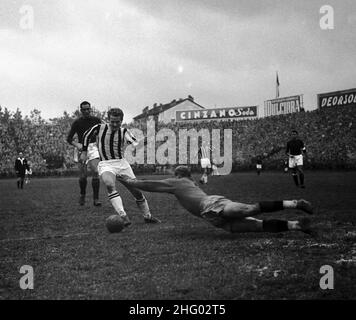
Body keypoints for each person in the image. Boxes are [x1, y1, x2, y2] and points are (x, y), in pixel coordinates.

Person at [117, 166, 315, 235]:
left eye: (174, 173)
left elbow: (150, 185)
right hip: (212, 217)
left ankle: (295, 203)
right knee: (258, 226)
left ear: (179, 175)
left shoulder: (178, 182)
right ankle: (297, 225)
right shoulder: (185, 182)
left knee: (249, 210)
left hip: (212, 205)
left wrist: (130, 180)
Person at [81, 107, 160, 226]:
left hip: (122, 164)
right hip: (106, 164)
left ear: (121, 120)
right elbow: (86, 136)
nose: (114, 124)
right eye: (112, 121)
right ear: (108, 119)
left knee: (136, 192)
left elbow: (135, 146)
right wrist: (84, 151)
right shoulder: (99, 128)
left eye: (117, 122)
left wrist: (145, 141)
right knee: (109, 184)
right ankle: (123, 216)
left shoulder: (124, 132)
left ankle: (147, 216)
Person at [67, 101, 102, 206]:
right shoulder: (77, 122)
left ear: (90, 109)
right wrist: (77, 145)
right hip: (82, 148)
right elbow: (69, 138)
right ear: (81, 110)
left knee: (96, 171)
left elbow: (102, 133)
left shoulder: (96, 120)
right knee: (83, 176)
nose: (87, 111)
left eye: (88, 109)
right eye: (84, 109)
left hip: (93, 147)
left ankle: (96, 199)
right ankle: (82, 195)